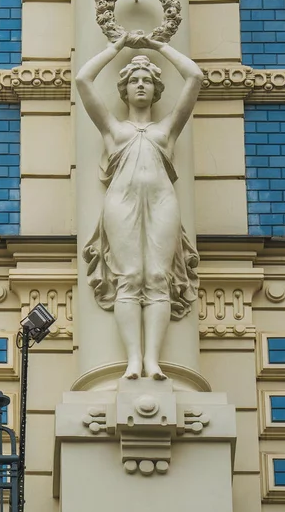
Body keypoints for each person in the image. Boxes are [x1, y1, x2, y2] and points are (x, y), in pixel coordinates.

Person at [75, 30, 201, 380]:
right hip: (121, 203)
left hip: (162, 203)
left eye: (148, 80)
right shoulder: (114, 130)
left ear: (157, 90)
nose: (142, 85)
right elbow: (83, 79)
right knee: (129, 278)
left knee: (158, 278)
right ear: (125, 89)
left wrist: (159, 46)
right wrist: (116, 47)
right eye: (135, 80)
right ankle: (133, 360)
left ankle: (152, 362)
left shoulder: (167, 130)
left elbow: (194, 77)